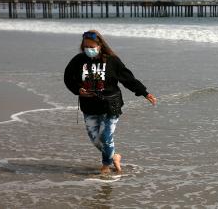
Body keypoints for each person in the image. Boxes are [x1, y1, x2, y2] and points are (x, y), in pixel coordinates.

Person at [64, 30, 157, 174]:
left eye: (92, 46)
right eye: (86, 46)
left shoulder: (112, 60)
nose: (89, 49)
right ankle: (115, 156)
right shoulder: (78, 60)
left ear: (100, 45)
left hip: (110, 105)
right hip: (89, 106)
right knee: (96, 140)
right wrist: (78, 89)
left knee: (105, 137)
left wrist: (144, 92)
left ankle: (106, 166)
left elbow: (128, 79)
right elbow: (68, 78)